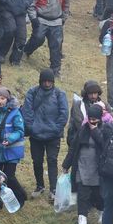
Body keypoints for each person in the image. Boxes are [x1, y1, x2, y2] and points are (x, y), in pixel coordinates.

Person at [22, 69, 69, 200]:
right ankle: (39, 185)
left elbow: (64, 114)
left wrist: (55, 129)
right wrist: (32, 128)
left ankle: (53, 189)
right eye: (45, 81)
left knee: (52, 161)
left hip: (53, 136)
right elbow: (27, 112)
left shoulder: (60, 94)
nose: (47, 84)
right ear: (41, 81)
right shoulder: (32, 92)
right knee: (37, 161)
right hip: (36, 135)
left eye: (49, 81)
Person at [62, 103, 105, 224]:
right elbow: (73, 148)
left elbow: (104, 144)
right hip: (81, 167)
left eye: (95, 119)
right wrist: (66, 165)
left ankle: (103, 214)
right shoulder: (82, 130)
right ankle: (82, 221)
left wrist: (94, 130)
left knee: (98, 195)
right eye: (90, 118)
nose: (92, 121)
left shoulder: (105, 129)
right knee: (82, 194)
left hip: (97, 169)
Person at [23, 0, 70, 76]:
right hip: (41, 19)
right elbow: (32, 3)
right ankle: (26, 51)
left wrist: (64, 18)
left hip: (57, 21)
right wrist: (33, 19)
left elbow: (66, 2)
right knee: (38, 38)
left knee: (56, 45)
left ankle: (55, 70)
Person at [0, 87, 27, 209]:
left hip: (11, 152)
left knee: (9, 176)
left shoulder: (15, 113)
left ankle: (21, 196)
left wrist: (10, 139)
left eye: (2, 98)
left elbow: (20, 130)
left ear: (7, 99)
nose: (0, 101)